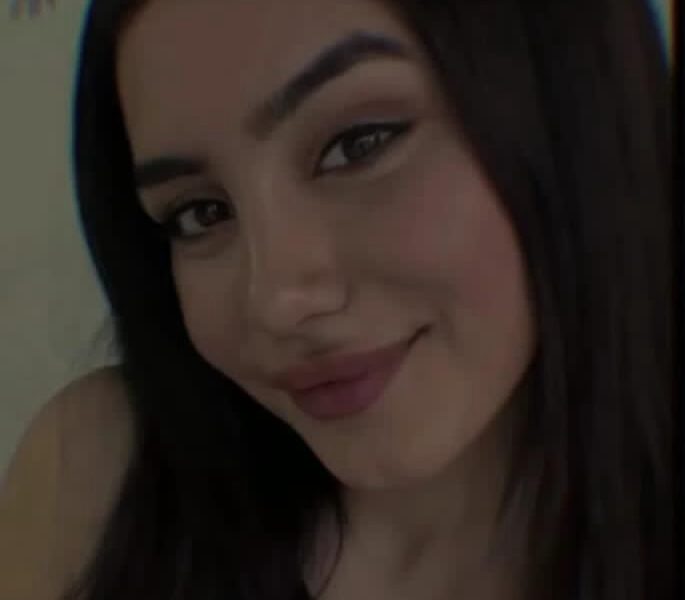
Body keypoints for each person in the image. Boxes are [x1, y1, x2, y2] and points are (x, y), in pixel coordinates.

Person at [0, 0, 674, 599]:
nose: (275, 301)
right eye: (200, 214)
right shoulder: (92, 477)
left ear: (570, 112)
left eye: (359, 145)